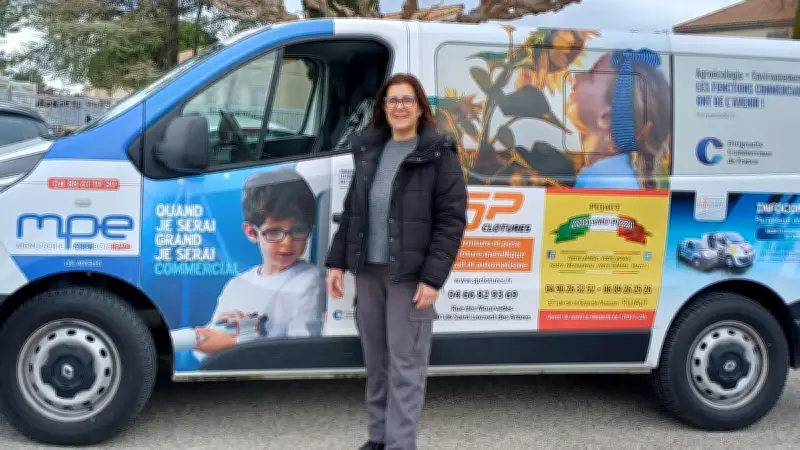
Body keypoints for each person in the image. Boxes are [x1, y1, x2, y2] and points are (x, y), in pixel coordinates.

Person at [325, 73, 468, 450]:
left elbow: (451, 221)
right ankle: (378, 438)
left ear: (421, 108)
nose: (399, 107)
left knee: (406, 367)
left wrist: (433, 279)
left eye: (407, 100)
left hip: (409, 278)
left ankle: (400, 444)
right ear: (382, 108)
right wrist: (337, 262)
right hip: (369, 274)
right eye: (392, 100)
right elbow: (353, 211)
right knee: (377, 364)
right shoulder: (371, 151)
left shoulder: (438, 154)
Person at [170, 168, 326, 361]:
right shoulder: (237, 286)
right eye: (274, 232)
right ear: (252, 233)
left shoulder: (310, 282)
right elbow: (202, 349)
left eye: (298, 230)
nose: (287, 243)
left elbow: (303, 351)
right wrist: (226, 331)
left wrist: (238, 343)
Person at [567, 49, 672, 190]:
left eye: (591, 75)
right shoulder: (612, 175)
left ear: (606, 118)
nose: (576, 77)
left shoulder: (602, 182)